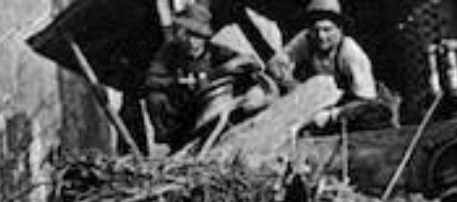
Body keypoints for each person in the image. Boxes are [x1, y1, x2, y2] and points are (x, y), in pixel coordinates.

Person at [143, 3, 274, 151]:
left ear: (205, 37)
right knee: (155, 98)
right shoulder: (170, 52)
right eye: (189, 34)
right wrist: (181, 82)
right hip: (183, 111)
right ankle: (175, 144)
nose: (193, 42)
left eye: (198, 36)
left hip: (211, 108)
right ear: (182, 33)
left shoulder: (215, 52)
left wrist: (243, 64)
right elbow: (152, 79)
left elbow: (245, 62)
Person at [267, 0, 393, 133]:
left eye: (327, 30)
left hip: (350, 108)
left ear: (339, 29)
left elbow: (366, 100)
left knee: (368, 117)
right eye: (316, 30)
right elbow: (276, 63)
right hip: (316, 103)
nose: (321, 36)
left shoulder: (351, 53)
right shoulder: (305, 39)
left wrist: (330, 115)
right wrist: (290, 82)